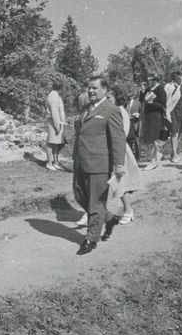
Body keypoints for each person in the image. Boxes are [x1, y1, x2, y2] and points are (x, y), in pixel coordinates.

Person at [72, 76, 125, 255]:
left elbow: (118, 139)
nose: (91, 91)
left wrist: (119, 165)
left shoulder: (111, 110)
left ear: (104, 89)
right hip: (81, 161)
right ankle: (109, 219)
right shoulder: (86, 109)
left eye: (94, 88)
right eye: (89, 88)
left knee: (95, 203)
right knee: (79, 195)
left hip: (99, 164)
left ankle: (91, 239)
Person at [105, 90, 141, 229]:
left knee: (118, 181)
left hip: (117, 150)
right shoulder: (108, 110)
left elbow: (122, 133)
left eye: (109, 98)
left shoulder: (120, 111)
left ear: (116, 98)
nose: (106, 100)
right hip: (106, 150)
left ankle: (128, 209)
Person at [138, 74, 167, 170]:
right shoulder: (148, 89)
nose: (148, 79)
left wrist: (152, 104)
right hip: (146, 116)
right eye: (148, 77)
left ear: (156, 79)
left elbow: (163, 105)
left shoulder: (160, 89)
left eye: (151, 78)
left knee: (152, 139)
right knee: (146, 138)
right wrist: (143, 90)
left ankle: (153, 161)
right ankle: (156, 156)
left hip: (155, 117)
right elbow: (141, 100)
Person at [164, 70, 182, 163]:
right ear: (176, 76)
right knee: (174, 132)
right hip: (172, 111)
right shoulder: (169, 86)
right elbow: (166, 99)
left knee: (180, 131)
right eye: (181, 76)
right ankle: (174, 154)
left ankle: (173, 151)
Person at [45, 78, 66, 171]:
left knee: (56, 143)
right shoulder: (53, 96)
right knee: (51, 142)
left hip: (57, 122)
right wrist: (57, 125)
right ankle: (49, 163)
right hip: (53, 122)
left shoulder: (56, 95)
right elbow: (54, 112)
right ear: (60, 87)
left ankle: (56, 162)